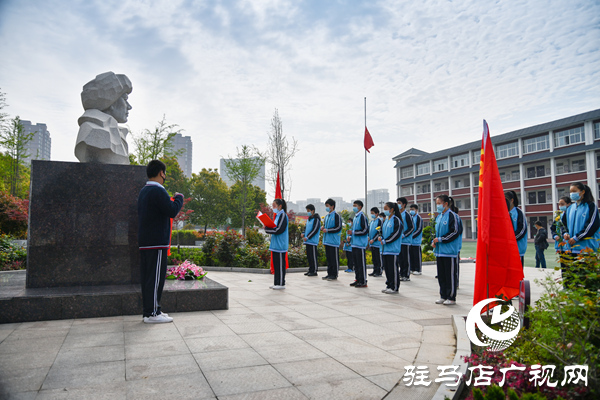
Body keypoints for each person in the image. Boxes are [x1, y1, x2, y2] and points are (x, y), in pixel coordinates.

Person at [137, 160, 184, 323]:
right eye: (164, 173)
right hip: (156, 242)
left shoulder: (144, 191)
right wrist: (179, 198)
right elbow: (171, 211)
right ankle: (152, 313)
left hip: (146, 241)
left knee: (149, 278)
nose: (165, 176)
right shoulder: (157, 191)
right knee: (156, 278)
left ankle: (152, 310)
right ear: (161, 173)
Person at [562, 182, 600, 285]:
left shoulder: (591, 206)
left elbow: (592, 225)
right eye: (570, 192)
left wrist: (577, 237)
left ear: (582, 192)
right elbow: (563, 225)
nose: (572, 194)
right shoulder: (569, 208)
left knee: (586, 282)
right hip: (571, 249)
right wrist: (565, 234)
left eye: (574, 191)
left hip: (586, 250)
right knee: (573, 281)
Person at [433, 195, 462, 305]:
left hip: (449, 252)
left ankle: (451, 297)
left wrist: (441, 239)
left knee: (450, 275)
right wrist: (434, 241)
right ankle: (443, 295)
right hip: (440, 252)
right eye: (437, 203)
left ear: (445, 204)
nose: (438, 205)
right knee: (441, 275)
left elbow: (454, 232)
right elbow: (436, 232)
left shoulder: (453, 216)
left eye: (439, 203)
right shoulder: (439, 217)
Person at [378, 202, 403, 294]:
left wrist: (386, 241)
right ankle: (389, 285)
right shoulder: (386, 221)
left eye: (386, 208)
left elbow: (396, 234)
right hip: (385, 249)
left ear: (392, 209)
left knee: (393, 269)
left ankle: (395, 287)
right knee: (387, 269)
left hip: (392, 249)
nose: (385, 211)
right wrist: (381, 238)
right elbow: (383, 233)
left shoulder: (396, 220)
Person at [265, 198, 289, 290]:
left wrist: (267, 230)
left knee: (280, 265)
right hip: (275, 244)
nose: (273, 208)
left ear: (280, 206)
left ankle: (281, 283)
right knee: (276, 265)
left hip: (280, 244)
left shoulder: (283, 215)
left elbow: (279, 229)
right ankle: (276, 282)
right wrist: (267, 226)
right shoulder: (277, 215)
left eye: (274, 206)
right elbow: (274, 227)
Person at [551, 196, 572, 284]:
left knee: (570, 267)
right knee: (563, 267)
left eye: (562, 204)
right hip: (560, 246)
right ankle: (565, 285)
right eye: (559, 204)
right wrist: (555, 235)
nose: (560, 206)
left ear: (568, 204)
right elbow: (553, 228)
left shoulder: (571, 215)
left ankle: (570, 285)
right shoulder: (558, 216)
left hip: (569, 245)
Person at [349, 200, 369, 288]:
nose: (354, 207)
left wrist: (353, 232)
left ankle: (363, 280)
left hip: (360, 244)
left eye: (355, 205)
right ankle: (358, 279)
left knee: (361, 263)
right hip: (354, 243)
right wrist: (350, 235)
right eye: (353, 205)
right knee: (356, 263)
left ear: (360, 207)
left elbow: (365, 230)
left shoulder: (362, 216)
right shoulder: (355, 217)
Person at [322, 198, 342, 280]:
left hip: (333, 241)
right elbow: (326, 227)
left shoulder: (336, 216)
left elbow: (338, 227)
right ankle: (329, 273)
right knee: (329, 259)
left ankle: (334, 274)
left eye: (328, 206)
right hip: (327, 241)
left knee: (334, 259)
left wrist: (328, 230)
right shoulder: (327, 216)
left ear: (332, 206)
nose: (326, 207)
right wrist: (323, 228)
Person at [505, 190, 527, 267]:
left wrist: (511, 239)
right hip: (506, 249)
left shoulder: (519, 212)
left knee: (518, 273)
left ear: (512, 200)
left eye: (506, 200)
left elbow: (522, 229)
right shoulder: (504, 213)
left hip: (518, 249)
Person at [302, 204, 320, 276]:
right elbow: (306, 228)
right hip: (308, 241)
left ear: (313, 211)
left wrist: (308, 237)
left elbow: (315, 230)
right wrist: (303, 233)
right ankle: (310, 269)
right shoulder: (309, 219)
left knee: (313, 256)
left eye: (309, 211)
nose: (308, 212)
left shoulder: (316, 219)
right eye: (307, 211)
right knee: (309, 256)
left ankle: (314, 270)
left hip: (312, 241)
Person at [368, 207, 383, 277]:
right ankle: (374, 270)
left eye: (373, 213)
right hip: (372, 244)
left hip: (376, 243)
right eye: (371, 213)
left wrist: (373, 239)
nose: (372, 215)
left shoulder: (379, 221)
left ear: (377, 214)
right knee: (374, 258)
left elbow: (379, 232)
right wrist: (368, 237)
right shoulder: (372, 222)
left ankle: (379, 271)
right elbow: (369, 231)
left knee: (378, 258)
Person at [409, 204, 423, 275]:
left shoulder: (419, 218)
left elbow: (419, 229)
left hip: (416, 240)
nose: (411, 210)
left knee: (416, 255)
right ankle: (412, 268)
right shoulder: (410, 217)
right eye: (410, 209)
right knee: (411, 255)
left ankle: (418, 269)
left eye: (413, 209)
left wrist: (412, 236)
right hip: (410, 241)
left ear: (416, 210)